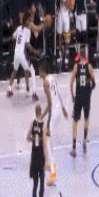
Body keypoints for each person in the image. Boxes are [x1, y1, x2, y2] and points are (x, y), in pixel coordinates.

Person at [40, 58, 68, 186]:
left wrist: (42, 117)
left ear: (42, 71)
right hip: (58, 110)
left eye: (39, 71)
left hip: (54, 112)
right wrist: (63, 108)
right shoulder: (52, 78)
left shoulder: (45, 83)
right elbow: (58, 94)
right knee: (47, 139)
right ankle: (50, 164)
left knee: (47, 140)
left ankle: (53, 174)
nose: (38, 73)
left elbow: (50, 104)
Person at [6, 13, 39, 100]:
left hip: (16, 54)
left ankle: (9, 89)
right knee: (32, 71)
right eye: (29, 20)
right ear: (26, 20)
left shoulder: (19, 28)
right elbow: (28, 45)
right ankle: (34, 93)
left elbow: (13, 37)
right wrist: (35, 51)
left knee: (16, 70)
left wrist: (17, 40)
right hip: (21, 54)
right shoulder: (28, 31)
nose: (30, 22)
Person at [70, 46, 95, 157]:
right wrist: (89, 92)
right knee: (86, 119)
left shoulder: (76, 67)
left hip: (78, 97)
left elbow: (71, 84)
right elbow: (94, 84)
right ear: (86, 56)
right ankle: (84, 139)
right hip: (86, 98)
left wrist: (72, 96)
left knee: (75, 121)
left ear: (79, 56)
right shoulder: (89, 67)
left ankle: (74, 148)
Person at [27, 104, 48, 197]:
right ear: (41, 112)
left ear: (35, 112)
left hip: (34, 157)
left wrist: (34, 139)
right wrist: (47, 160)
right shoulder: (43, 126)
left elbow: (27, 137)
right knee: (42, 184)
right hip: (40, 157)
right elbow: (44, 144)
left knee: (35, 185)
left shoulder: (32, 123)